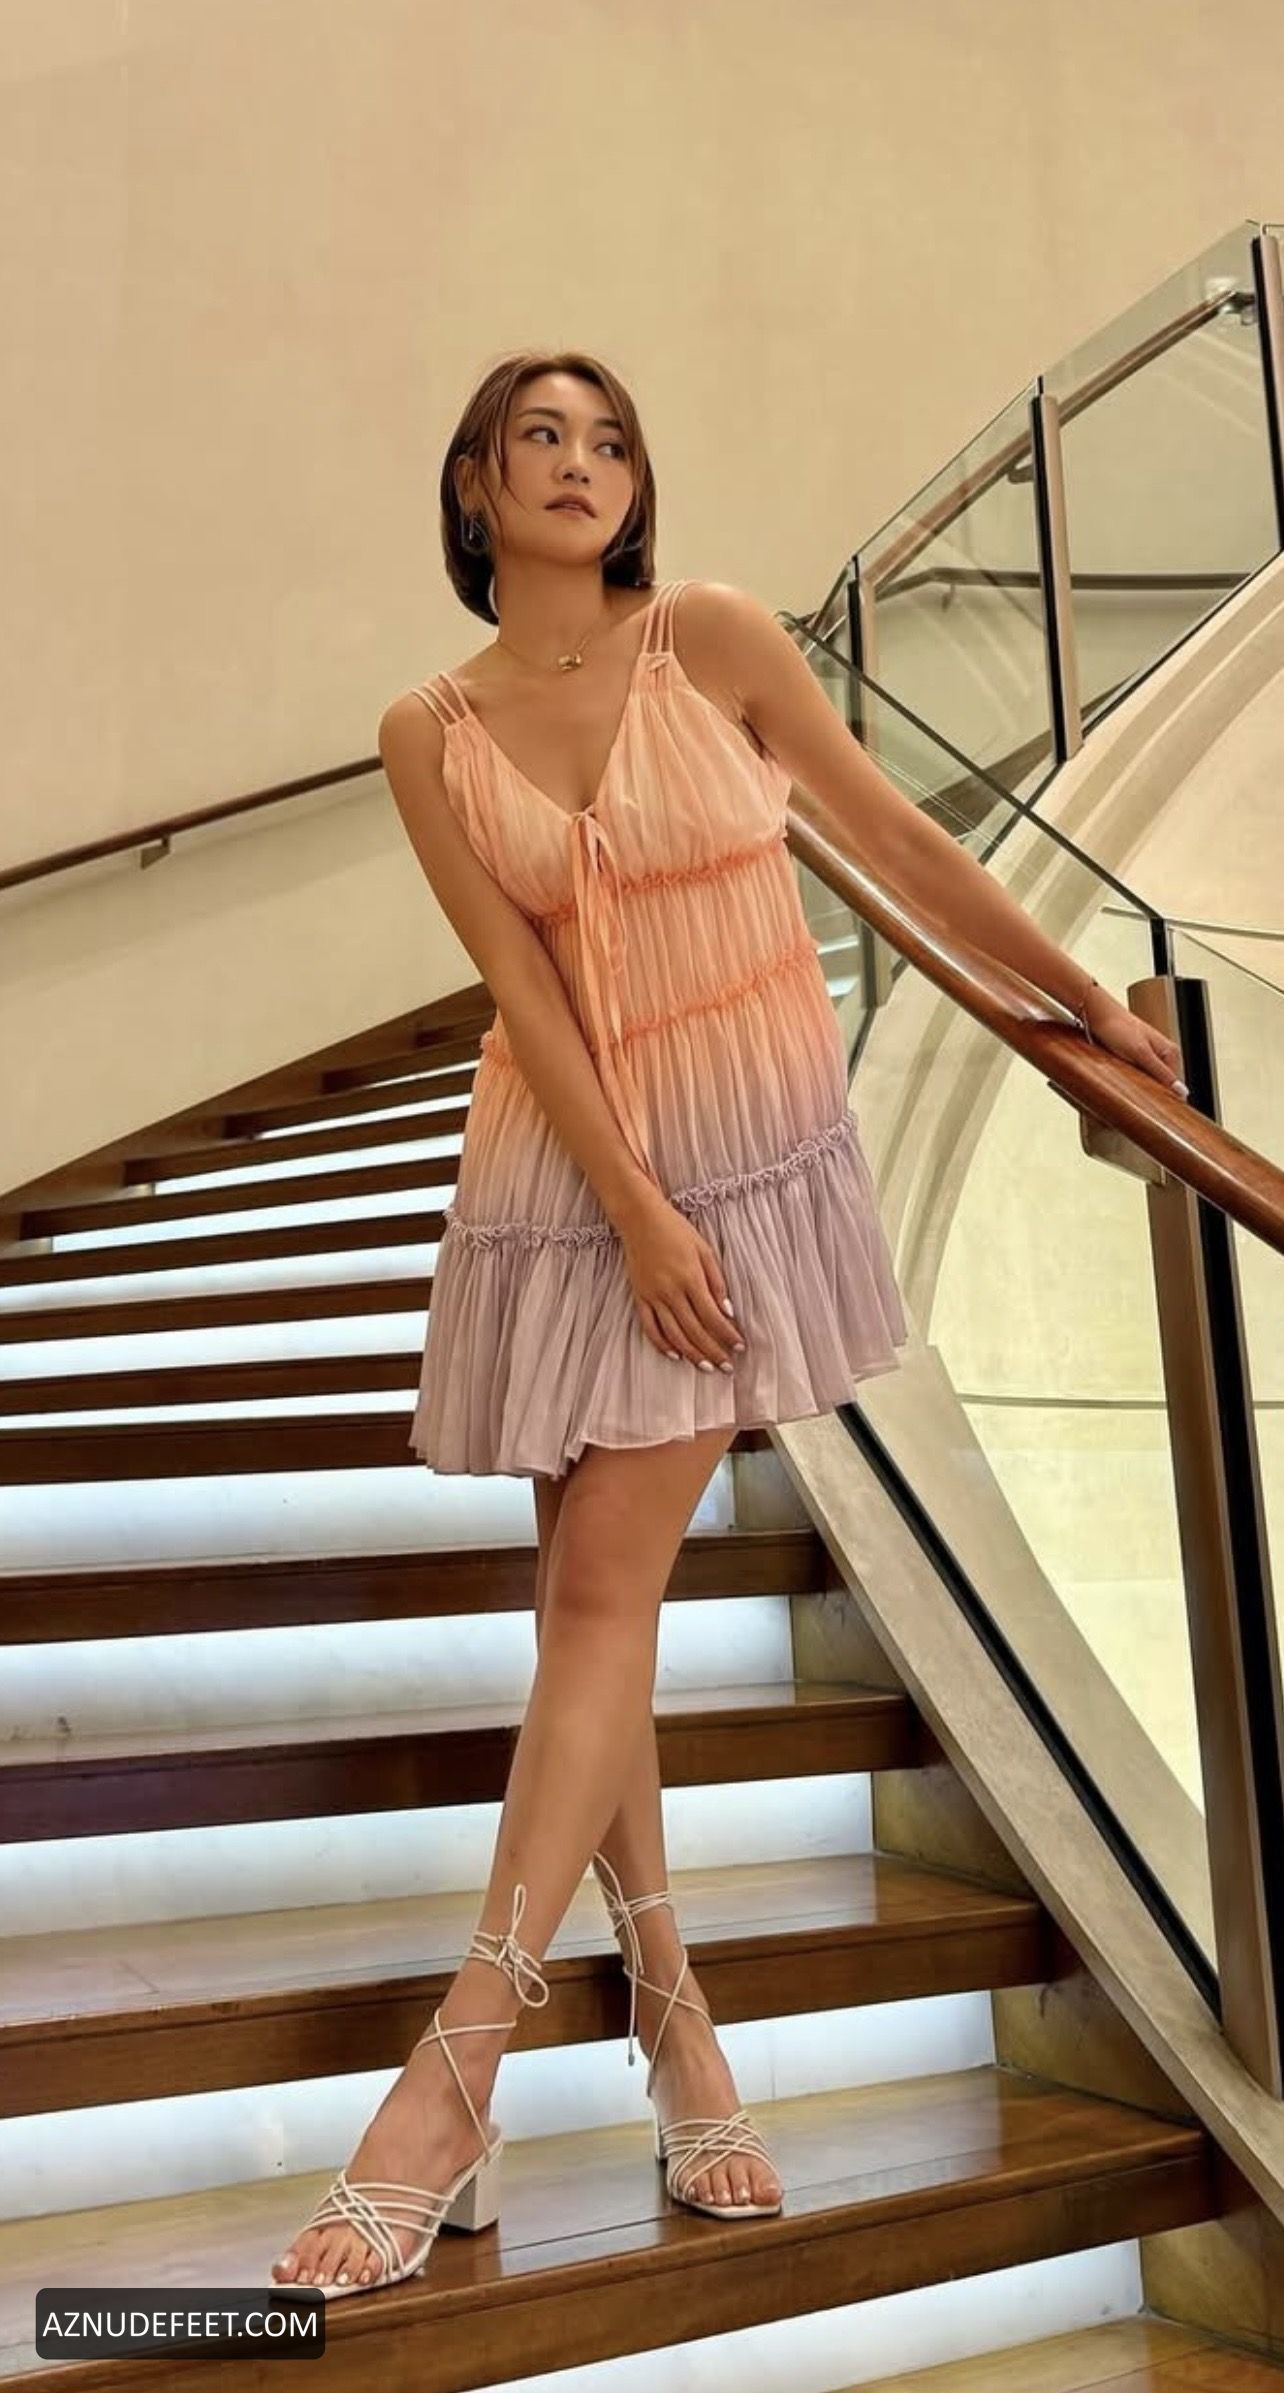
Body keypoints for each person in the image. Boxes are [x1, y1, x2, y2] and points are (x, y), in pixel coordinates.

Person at [270, 349, 1184, 2301]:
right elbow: (519, 987)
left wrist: (1084, 1000)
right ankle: (675, 2021)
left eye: (609, 439)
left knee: (601, 1597)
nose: (581, 463)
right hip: (569, 1181)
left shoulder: (715, 639)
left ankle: (453, 2081)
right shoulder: (430, 729)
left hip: (746, 1158)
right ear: (474, 485)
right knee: (587, 1611)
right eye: (541, 437)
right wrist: (631, 1209)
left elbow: (905, 845)